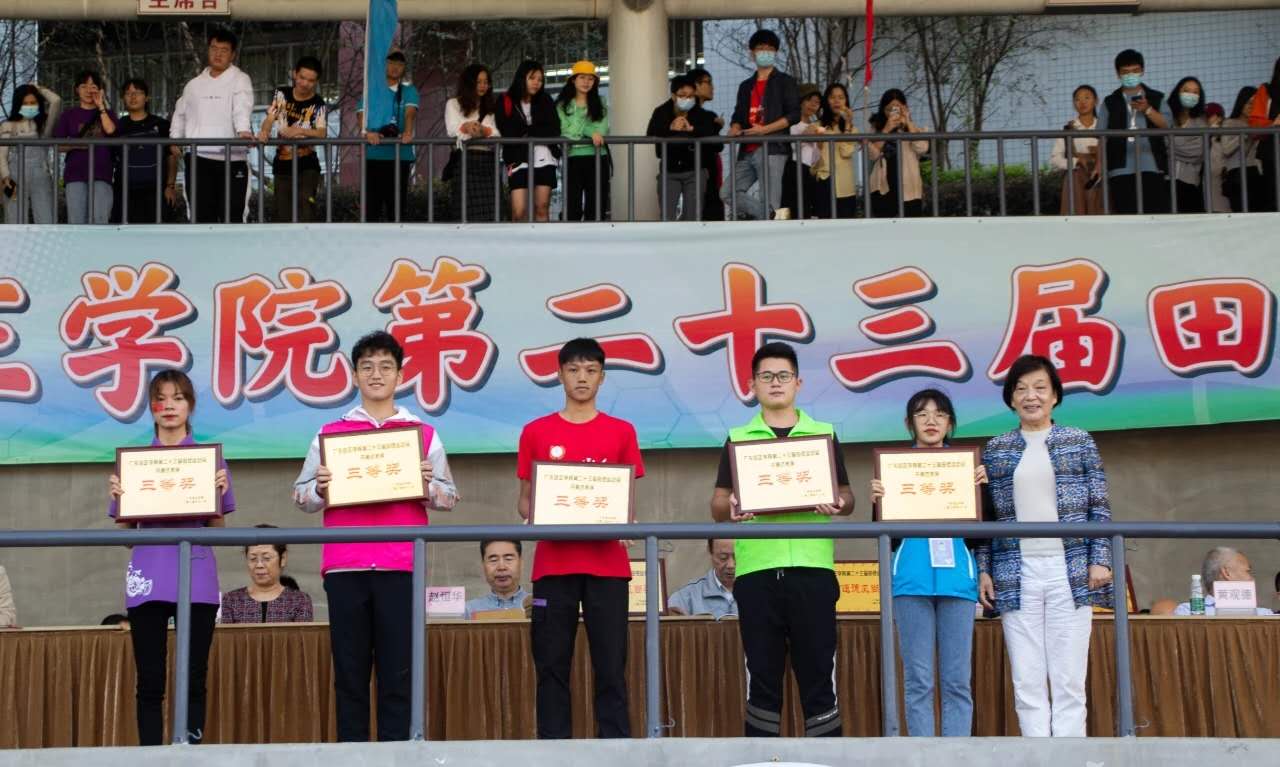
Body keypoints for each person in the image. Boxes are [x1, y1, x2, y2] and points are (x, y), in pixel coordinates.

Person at [292, 330, 458, 742]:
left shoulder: (423, 433)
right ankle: (352, 756)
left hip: (401, 566)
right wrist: (320, 489)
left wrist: (427, 485)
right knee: (349, 675)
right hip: (344, 566)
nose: (376, 374)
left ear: (400, 376)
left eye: (386, 366)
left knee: (398, 674)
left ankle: (396, 756)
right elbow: (301, 496)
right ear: (354, 376)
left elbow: (449, 497)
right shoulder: (330, 432)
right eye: (366, 367)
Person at [710, 341, 854, 737]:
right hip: (756, 571)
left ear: (798, 383)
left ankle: (825, 759)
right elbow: (718, 503)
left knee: (819, 676)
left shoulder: (823, 434)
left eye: (784, 375)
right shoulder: (738, 437)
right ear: (752, 385)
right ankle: (762, 757)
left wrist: (837, 502)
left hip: (813, 569)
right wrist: (730, 508)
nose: (776, 383)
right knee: (762, 677)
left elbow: (848, 497)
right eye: (767, 376)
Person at [977, 354, 1113, 738]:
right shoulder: (996, 449)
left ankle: (1068, 757)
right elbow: (986, 518)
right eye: (1021, 389)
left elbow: (1100, 506)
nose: (1030, 396)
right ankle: (1036, 756)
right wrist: (984, 568)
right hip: (1015, 571)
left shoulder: (1078, 441)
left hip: (1069, 569)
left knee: (1069, 677)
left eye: (1040, 388)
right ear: (1011, 398)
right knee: (1027, 677)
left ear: (1055, 396)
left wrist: (1100, 559)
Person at [517, 337, 644, 739]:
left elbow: (627, 501)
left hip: (608, 566)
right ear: (560, 375)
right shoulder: (536, 431)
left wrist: (625, 520)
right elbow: (524, 501)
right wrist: (537, 514)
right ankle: (554, 751)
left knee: (611, 666)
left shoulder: (621, 431)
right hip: (553, 566)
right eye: (573, 370)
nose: (582, 378)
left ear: (602, 377)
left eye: (591, 370)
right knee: (551, 664)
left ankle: (616, 750)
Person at [107, 370, 234, 745]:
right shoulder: (134, 463)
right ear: (151, 407)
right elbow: (126, 538)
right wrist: (121, 499)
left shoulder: (210, 460)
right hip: (148, 576)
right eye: (161, 399)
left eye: (178, 398)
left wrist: (216, 497)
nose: (169, 406)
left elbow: (217, 532)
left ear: (190, 405)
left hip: (197, 578)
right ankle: (150, 754)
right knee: (149, 679)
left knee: (194, 676)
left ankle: (190, 751)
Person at [869, 389, 986, 737]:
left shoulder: (967, 468)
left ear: (950, 423)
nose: (931, 421)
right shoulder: (896, 471)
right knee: (918, 680)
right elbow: (885, 536)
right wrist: (879, 502)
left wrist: (982, 491)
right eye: (922, 414)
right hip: (910, 580)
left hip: (958, 581)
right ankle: (923, 756)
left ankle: (955, 756)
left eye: (939, 414)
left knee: (957, 681)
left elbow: (984, 532)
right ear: (910, 424)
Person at [170, 27, 254, 224]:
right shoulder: (193, 85)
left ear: (232, 55)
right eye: (214, 48)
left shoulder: (240, 79)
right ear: (208, 50)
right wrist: (174, 139)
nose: (218, 54)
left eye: (224, 50)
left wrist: (243, 130)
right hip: (198, 158)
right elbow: (180, 113)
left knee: (232, 216)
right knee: (200, 216)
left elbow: (242, 105)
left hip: (232, 158)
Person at [726, 29, 801, 220]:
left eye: (769, 48)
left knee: (770, 199)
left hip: (773, 148)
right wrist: (735, 126)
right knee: (727, 192)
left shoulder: (785, 81)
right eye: (760, 48)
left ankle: (771, 218)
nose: (765, 52)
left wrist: (765, 130)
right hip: (747, 149)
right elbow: (738, 114)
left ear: (775, 52)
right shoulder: (746, 86)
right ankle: (771, 215)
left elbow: (794, 115)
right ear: (752, 53)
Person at [1096, 49, 1171, 215]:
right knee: (1127, 215)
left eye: (1135, 70)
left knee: (1156, 214)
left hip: (1152, 164)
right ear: (1118, 74)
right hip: (1120, 167)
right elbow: (1101, 137)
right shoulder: (1110, 101)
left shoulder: (1156, 97)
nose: (1131, 75)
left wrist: (1148, 109)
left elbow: (1168, 125)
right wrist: (1099, 164)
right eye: (1125, 72)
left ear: (1142, 70)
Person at [259, 56, 327, 223]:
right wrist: (264, 131)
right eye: (302, 77)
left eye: (311, 80)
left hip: (308, 164)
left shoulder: (318, 103)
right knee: (282, 213)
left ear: (316, 82)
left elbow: (322, 133)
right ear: (295, 74)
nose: (305, 83)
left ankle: (308, 239)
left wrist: (300, 130)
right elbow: (270, 118)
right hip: (282, 164)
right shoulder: (282, 93)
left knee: (306, 205)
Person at [646, 74, 721, 221]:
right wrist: (671, 128)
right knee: (667, 217)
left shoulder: (701, 113)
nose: (687, 99)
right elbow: (651, 133)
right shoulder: (661, 111)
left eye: (691, 96)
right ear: (674, 96)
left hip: (695, 170)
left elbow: (713, 137)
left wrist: (692, 129)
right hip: (669, 170)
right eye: (682, 95)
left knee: (693, 217)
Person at [358, 50, 418, 223]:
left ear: (404, 68)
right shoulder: (371, 91)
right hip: (374, 155)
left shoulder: (408, 90)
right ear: (383, 65)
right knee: (371, 210)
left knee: (397, 210)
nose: (395, 67)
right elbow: (361, 114)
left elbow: (410, 113)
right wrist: (367, 132)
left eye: (400, 64)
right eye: (391, 63)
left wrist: (408, 132)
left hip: (400, 156)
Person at [496, 60, 559, 223]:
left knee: (542, 207)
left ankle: (543, 240)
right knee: (518, 212)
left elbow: (554, 130)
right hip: (517, 157)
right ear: (521, 77)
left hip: (544, 156)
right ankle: (518, 241)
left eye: (540, 79)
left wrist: (527, 132)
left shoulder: (546, 100)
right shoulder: (505, 100)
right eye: (532, 78)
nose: (536, 82)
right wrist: (536, 131)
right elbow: (506, 130)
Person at [53, 70, 116, 224]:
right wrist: (76, 144)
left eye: (93, 86)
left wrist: (101, 106)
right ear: (77, 89)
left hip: (102, 174)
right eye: (83, 86)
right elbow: (57, 146)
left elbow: (110, 130)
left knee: (100, 220)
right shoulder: (68, 115)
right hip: (75, 174)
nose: (88, 90)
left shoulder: (107, 113)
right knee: (76, 222)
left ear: (100, 90)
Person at [112, 78, 178, 224]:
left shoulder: (161, 124)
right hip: (124, 192)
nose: (133, 96)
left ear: (147, 97)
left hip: (156, 191)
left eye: (138, 92)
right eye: (128, 93)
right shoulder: (118, 126)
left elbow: (171, 156)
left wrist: (170, 186)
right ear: (123, 98)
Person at [220, 524, 315, 623]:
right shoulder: (232, 600)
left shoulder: (299, 600)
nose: (259, 565)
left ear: (283, 558)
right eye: (253, 558)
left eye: (266, 558)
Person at [444, 63, 500, 223]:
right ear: (469, 82)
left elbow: (497, 132)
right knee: (466, 214)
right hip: (465, 160)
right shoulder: (453, 104)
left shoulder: (490, 106)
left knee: (491, 213)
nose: (483, 86)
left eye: (486, 82)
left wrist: (484, 131)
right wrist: (467, 128)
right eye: (478, 82)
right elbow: (452, 129)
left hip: (487, 161)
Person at [557, 61, 610, 221]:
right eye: (582, 77)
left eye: (590, 78)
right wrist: (590, 131)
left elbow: (602, 130)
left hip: (598, 157)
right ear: (573, 80)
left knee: (596, 209)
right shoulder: (562, 105)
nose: (586, 82)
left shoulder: (600, 101)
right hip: (573, 158)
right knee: (572, 209)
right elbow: (564, 131)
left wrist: (582, 131)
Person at [1, 84, 61, 224]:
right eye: (25, 103)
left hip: (41, 174)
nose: (29, 106)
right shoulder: (7, 125)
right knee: (15, 220)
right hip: (13, 176)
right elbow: (2, 155)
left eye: (33, 103)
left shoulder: (44, 126)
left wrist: (38, 89)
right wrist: (5, 177)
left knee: (46, 219)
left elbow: (56, 101)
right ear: (18, 104)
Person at [867, 88, 928, 218]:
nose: (893, 112)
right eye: (889, 109)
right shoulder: (877, 129)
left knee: (910, 225)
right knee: (884, 226)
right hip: (883, 187)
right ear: (883, 110)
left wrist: (908, 123)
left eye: (897, 108)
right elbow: (873, 155)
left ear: (905, 108)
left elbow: (922, 148)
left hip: (909, 188)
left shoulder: (913, 129)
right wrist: (886, 129)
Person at [1050, 85, 1103, 215]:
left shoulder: (1103, 127)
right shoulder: (1068, 129)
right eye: (1077, 99)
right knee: (1076, 212)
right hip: (1076, 181)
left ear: (1096, 101)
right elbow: (1055, 159)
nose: (1082, 102)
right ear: (1074, 104)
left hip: (1100, 178)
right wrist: (1076, 161)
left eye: (1087, 98)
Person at [1173, 548, 1274, 616]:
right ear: (1227, 573)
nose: (1252, 579)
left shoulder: (1264, 615)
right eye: (1248, 571)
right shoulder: (1188, 612)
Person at [811, 83, 861, 219]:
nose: (837, 101)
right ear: (826, 100)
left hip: (845, 186)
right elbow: (811, 159)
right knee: (824, 224)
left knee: (846, 226)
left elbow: (846, 152)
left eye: (841, 97)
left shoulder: (853, 129)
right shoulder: (816, 126)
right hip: (823, 182)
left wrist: (848, 124)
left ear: (846, 101)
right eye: (832, 97)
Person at [1216, 87, 1266, 214]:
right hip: (1236, 174)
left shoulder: (1259, 125)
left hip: (1255, 174)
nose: (1251, 106)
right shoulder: (1229, 123)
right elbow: (1226, 149)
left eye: (1255, 103)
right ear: (1241, 102)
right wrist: (1244, 134)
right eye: (1248, 102)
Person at [777, 85, 822, 220]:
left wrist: (820, 144)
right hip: (793, 169)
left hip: (809, 172)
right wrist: (804, 136)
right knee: (789, 210)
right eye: (809, 100)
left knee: (806, 210)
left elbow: (815, 158)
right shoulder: (790, 123)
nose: (813, 105)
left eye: (817, 102)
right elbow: (789, 147)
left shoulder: (816, 126)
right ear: (801, 100)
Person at [688, 67, 726, 221]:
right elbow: (718, 145)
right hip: (706, 173)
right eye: (708, 82)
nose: (712, 87)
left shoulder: (705, 116)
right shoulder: (706, 117)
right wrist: (715, 127)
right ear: (695, 86)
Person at [1168, 76, 1209, 214]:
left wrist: (1170, 144)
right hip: (1165, 181)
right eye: (1186, 90)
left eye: (1195, 92)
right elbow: (1160, 144)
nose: (1190, 95)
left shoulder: (1201, 123)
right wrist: (1185, 143)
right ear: (1177, 93)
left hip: (1190, 183)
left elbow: (1197, 153)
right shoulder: (1166, 118)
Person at [667, 539, 737, 619]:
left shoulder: (750, 592)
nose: (731, 565)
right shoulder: (685, 598)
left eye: (739, 556)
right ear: (710, 552)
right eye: (723, 558)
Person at [1246, 56, 1280, 212]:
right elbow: (1255, 124)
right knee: (1274, 198)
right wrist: (1274, 123)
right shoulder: (1266, 90)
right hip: (1272, 154)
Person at [464, 540, 529, 619]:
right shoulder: (468, 611)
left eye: (508, 559)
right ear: (483, 565)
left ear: (521, 562)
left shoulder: (538, 605)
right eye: (493, 560)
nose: (501, 567)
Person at [1204, 102, 1231, 213]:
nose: (1205, 120)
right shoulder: (1205, 136)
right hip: (1208, 187)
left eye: (1209, 116)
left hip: (1222, 186)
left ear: (1219, 118)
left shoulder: (1225, 134)